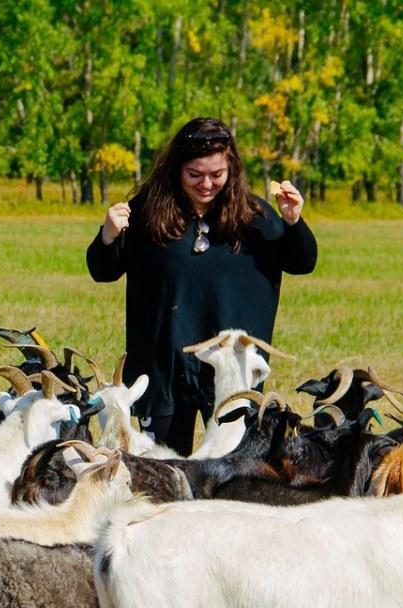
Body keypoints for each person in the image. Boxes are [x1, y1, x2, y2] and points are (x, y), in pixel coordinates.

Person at [86, 116, 317, 456]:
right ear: (176, 168)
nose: (206, 184)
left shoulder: (256, 217)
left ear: (231, 170)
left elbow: (302, 263)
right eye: (195, 174)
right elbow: (102, 270)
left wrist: (293, 222)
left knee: (230, 472)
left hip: (230, 373)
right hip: (163, 371)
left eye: (216, 175)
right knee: (163, 470)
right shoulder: (146, 214)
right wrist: (107, 235)